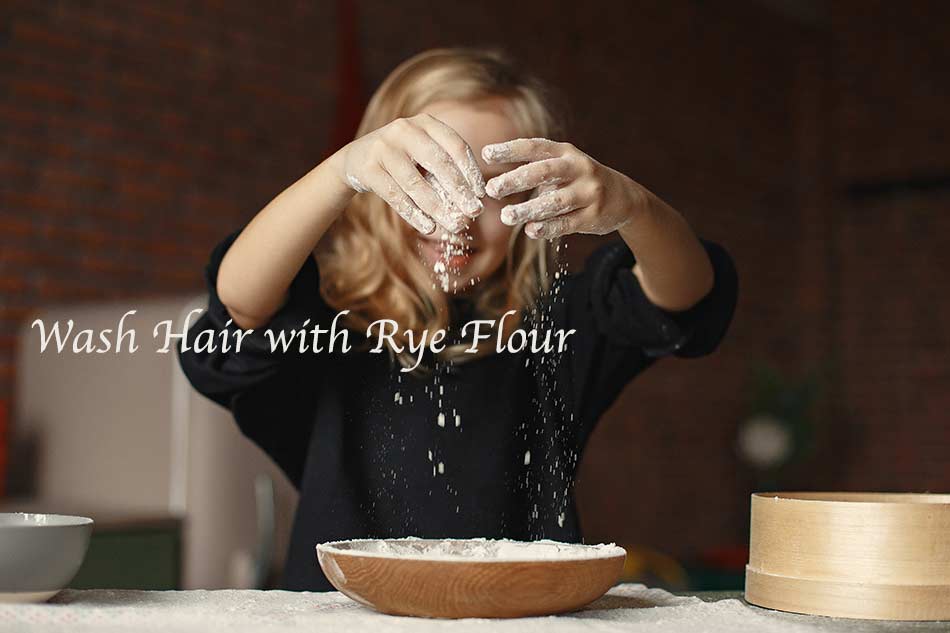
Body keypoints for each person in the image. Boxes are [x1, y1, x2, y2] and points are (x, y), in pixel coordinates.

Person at [177, 48, 738, 591]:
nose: (458, 213)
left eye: (494, 188)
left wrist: (634, 207)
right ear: (378, 181)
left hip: (518, 617)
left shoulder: (559, 323)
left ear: (540, 193)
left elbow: (684, 298)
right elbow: (241, 305)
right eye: (426, 175)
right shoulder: (327, 322)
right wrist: (342, 170)